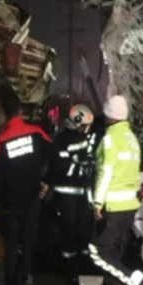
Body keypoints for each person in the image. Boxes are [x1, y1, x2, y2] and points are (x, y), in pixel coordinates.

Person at [89, 94, 143, 285]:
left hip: (113, 207)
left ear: (108, 116)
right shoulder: (132, 138)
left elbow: (106, 172)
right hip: (128, 207)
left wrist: (98, 201)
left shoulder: (111, 139)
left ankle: (134, 280)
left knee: (98, 253)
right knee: (113, 256)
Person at [0, 92, 52, 285]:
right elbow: (53, 156)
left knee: (12, 244)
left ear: (6, 115)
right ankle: (24, 280)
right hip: (32, 198)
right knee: (28, 241)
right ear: (21, 112)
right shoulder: (36, 134)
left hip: (10, 202)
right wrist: (46, 182)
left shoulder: (1, 140)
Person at [48, 104, 99, 271]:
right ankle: (68, 263)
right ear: (77, 122)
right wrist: (83, 166)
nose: (86, 129)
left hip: (82, 194)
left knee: (84, 227)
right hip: (66, 195)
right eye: (85, 126)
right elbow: (62, 168)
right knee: (68, 228)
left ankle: (84, 260)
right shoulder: (61, 140)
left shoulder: (82, 139)